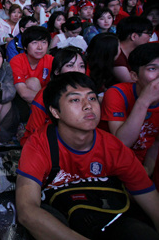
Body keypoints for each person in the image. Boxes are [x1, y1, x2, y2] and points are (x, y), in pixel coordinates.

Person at [16, 72, 159, 240]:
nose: (88, 106)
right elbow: (27, 211)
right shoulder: (39, 144)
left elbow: (152, 202)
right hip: (62, 221)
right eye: (75, 100)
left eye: (92, 98)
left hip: (107, 216)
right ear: (55, 112)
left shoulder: (113, 147)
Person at [100, 43, 159, 173]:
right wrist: (144, 101)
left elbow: (155, 143)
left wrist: (148, 171)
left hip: (145, 163)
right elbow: (122, 142)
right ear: (134, 76)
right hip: (112, 161)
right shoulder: (117, 93)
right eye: (152, 69)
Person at [21, 46, 87, 145]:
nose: (77, 70)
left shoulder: (88, 93)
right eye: (70, 65)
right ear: (57, 71)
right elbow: (35, 134)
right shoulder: (44, 96)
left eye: (81, 66)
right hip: (45, 144)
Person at [10, 26, 54, 105]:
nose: (40, 47)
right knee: (33, 82)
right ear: (25, 47)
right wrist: (51, 102)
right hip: (21, 103)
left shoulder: (51, 60)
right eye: (34, 43)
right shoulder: (17, 61)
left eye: (44, 42)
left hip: (45, 100)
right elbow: (23, 92)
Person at [114, 16, 153, 83]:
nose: (150, 37)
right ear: (134, 36)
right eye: (148, 34)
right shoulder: (116, 55)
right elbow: (132, 83)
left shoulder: (135, 53)